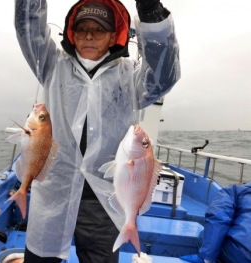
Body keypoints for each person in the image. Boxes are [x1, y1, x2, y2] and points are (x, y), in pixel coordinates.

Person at [14, 0, 180, 262]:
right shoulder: (51, 64)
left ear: (113, 35)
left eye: (99, 29)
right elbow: (28, 28)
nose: (89, 35)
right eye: (82, 29)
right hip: (54, 191)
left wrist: (151, 13)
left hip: (105, 198)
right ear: (72, 33)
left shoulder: (131, 75)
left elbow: (163, 77)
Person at [181, 183, 251, 263]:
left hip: (243, 254)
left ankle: (207, 259)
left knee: (203, 235)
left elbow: (218, 218)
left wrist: (207, 256)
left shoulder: (233, 191)